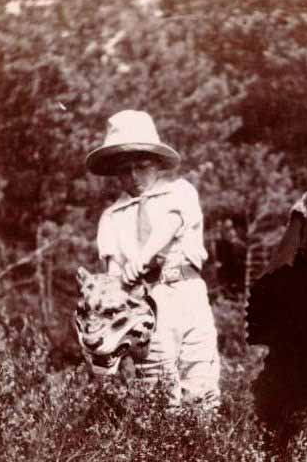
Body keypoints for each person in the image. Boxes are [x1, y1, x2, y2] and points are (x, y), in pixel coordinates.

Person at [86, 109, 221, 407]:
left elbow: (170, 226)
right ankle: (163, 450)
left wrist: (143, 257)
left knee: (201, 381)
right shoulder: (111, 217)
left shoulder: (179, 193)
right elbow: (113, 274)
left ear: (157, 164)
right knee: (157, 387)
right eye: (124, 170)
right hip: (146, 304)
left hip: (186, 292)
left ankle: (205, 448)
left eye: (142, 166)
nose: (133, 177)